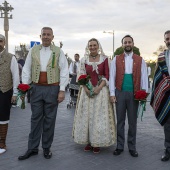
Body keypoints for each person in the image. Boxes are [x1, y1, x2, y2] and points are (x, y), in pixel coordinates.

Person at [18, 27, 69, 160]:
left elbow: (64, 70)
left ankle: (46, 148)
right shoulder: (33, 50)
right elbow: (27, 68)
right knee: (35, 118)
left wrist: (62, 90)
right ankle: (32, 148)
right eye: (44, 34)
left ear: (53, 37)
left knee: (50, 119)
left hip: (53, 89)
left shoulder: (58, 51)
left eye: (48, 35)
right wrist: (25, 85)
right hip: (36, 88)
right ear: (40, 36)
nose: (46, 37)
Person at [72, 38, 116, 154]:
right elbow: (81, 75)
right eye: (90, 45)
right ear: (88, 47)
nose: (92, 47)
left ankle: (97, 142)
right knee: (87, 116)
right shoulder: (84, 60)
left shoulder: (105, 59)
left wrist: (99, 88)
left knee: (99, 116)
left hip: (101, 92)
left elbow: (107, 75)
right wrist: (86, 88)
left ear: (98, 46)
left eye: (94, 45)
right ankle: (88, 142)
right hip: (86, 91)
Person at [109, 35, 148, 157]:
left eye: (129, 42)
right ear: (122, 45)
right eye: (125, 42)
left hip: (134, 94)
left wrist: (144, 94)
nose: (127, 44)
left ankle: (132, 147)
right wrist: (112, 93)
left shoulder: (140, 60)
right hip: (120, 92)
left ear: (133, 44)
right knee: (120, 121)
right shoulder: (116, 59)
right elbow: (112, 77)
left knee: (132, 122)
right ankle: (119, 146)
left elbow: (144, 78)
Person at [150, 30, 170, 162]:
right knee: (168, 124)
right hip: (167, 93)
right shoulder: (162, 57)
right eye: (167, 39)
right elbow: (158, 76)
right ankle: (168, 150)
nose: (168, 41)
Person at [0, 34, 19, 154]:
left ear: (4, 43)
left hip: (5, 91)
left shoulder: (11, 57)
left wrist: (15, 93)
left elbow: (16, 76)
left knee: (3, 118)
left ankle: (2, 143)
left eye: (0, 41)